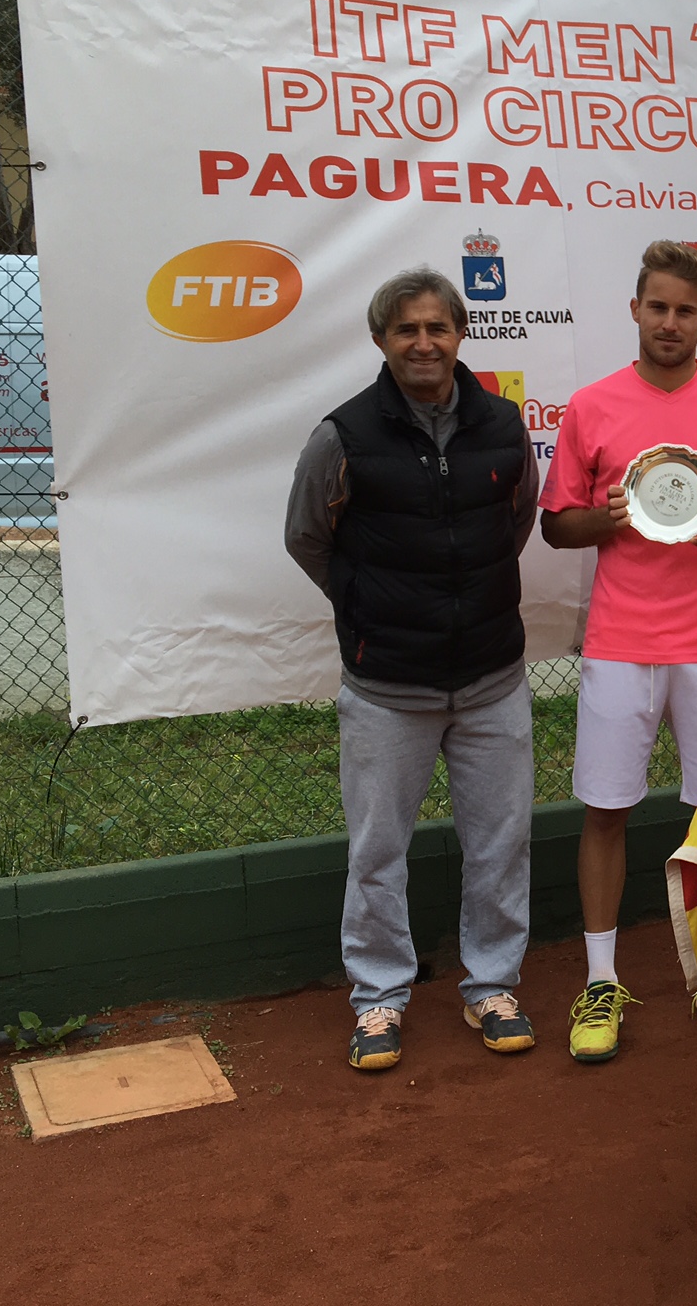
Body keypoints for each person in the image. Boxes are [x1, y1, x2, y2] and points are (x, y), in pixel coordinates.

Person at [284, 267, 540, 1072]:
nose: (423, 343)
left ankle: (493, 986)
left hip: (493, 680)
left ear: (460, 334)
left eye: (437, 327)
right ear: (381, 340)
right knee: (377, 851)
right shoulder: (343, 435)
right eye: (406, 330)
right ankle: (379, 999)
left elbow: (517, 519)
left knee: (500, 844)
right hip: (387, 688)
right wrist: (368, 602)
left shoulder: (503, 424)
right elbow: (306, 538)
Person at [539, 240, 697, 1063]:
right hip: (620, 643)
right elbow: (558, 524)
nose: (670, 322)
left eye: (685, 310)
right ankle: (601, 980)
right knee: (606, 811)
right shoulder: (593, 405)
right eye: (658, 307)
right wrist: (605, 518)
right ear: (635, 310)